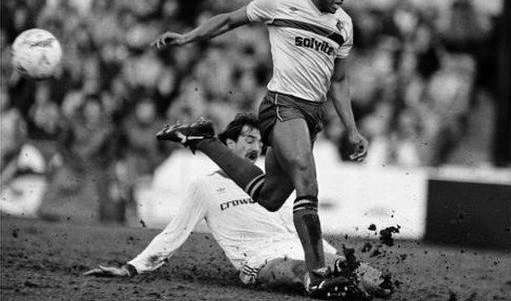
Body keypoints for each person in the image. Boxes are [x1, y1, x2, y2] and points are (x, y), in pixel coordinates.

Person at [152, 0, 369, 297]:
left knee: (270, 196)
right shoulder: (278, 4)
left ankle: (205, 140)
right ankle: (318, 274)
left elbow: (338, 83)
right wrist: (187, 37)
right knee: (307, 181)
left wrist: (353, 130)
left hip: (310, 116)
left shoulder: (343, 25)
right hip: (281, 105)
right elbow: (227, 21)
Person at [84, 114, 391, 299]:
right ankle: (318, 282)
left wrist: (332, 257)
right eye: (248, 139)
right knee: (299, 271)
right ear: (228, 145)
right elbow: (172, 235)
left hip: (304, 250)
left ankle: (329, 277)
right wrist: (132, 267)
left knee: (379, 284)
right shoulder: (205, 187)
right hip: (261, 261)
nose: (256, 147)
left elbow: (297, 222)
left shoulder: (272, 184)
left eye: (260, 142)